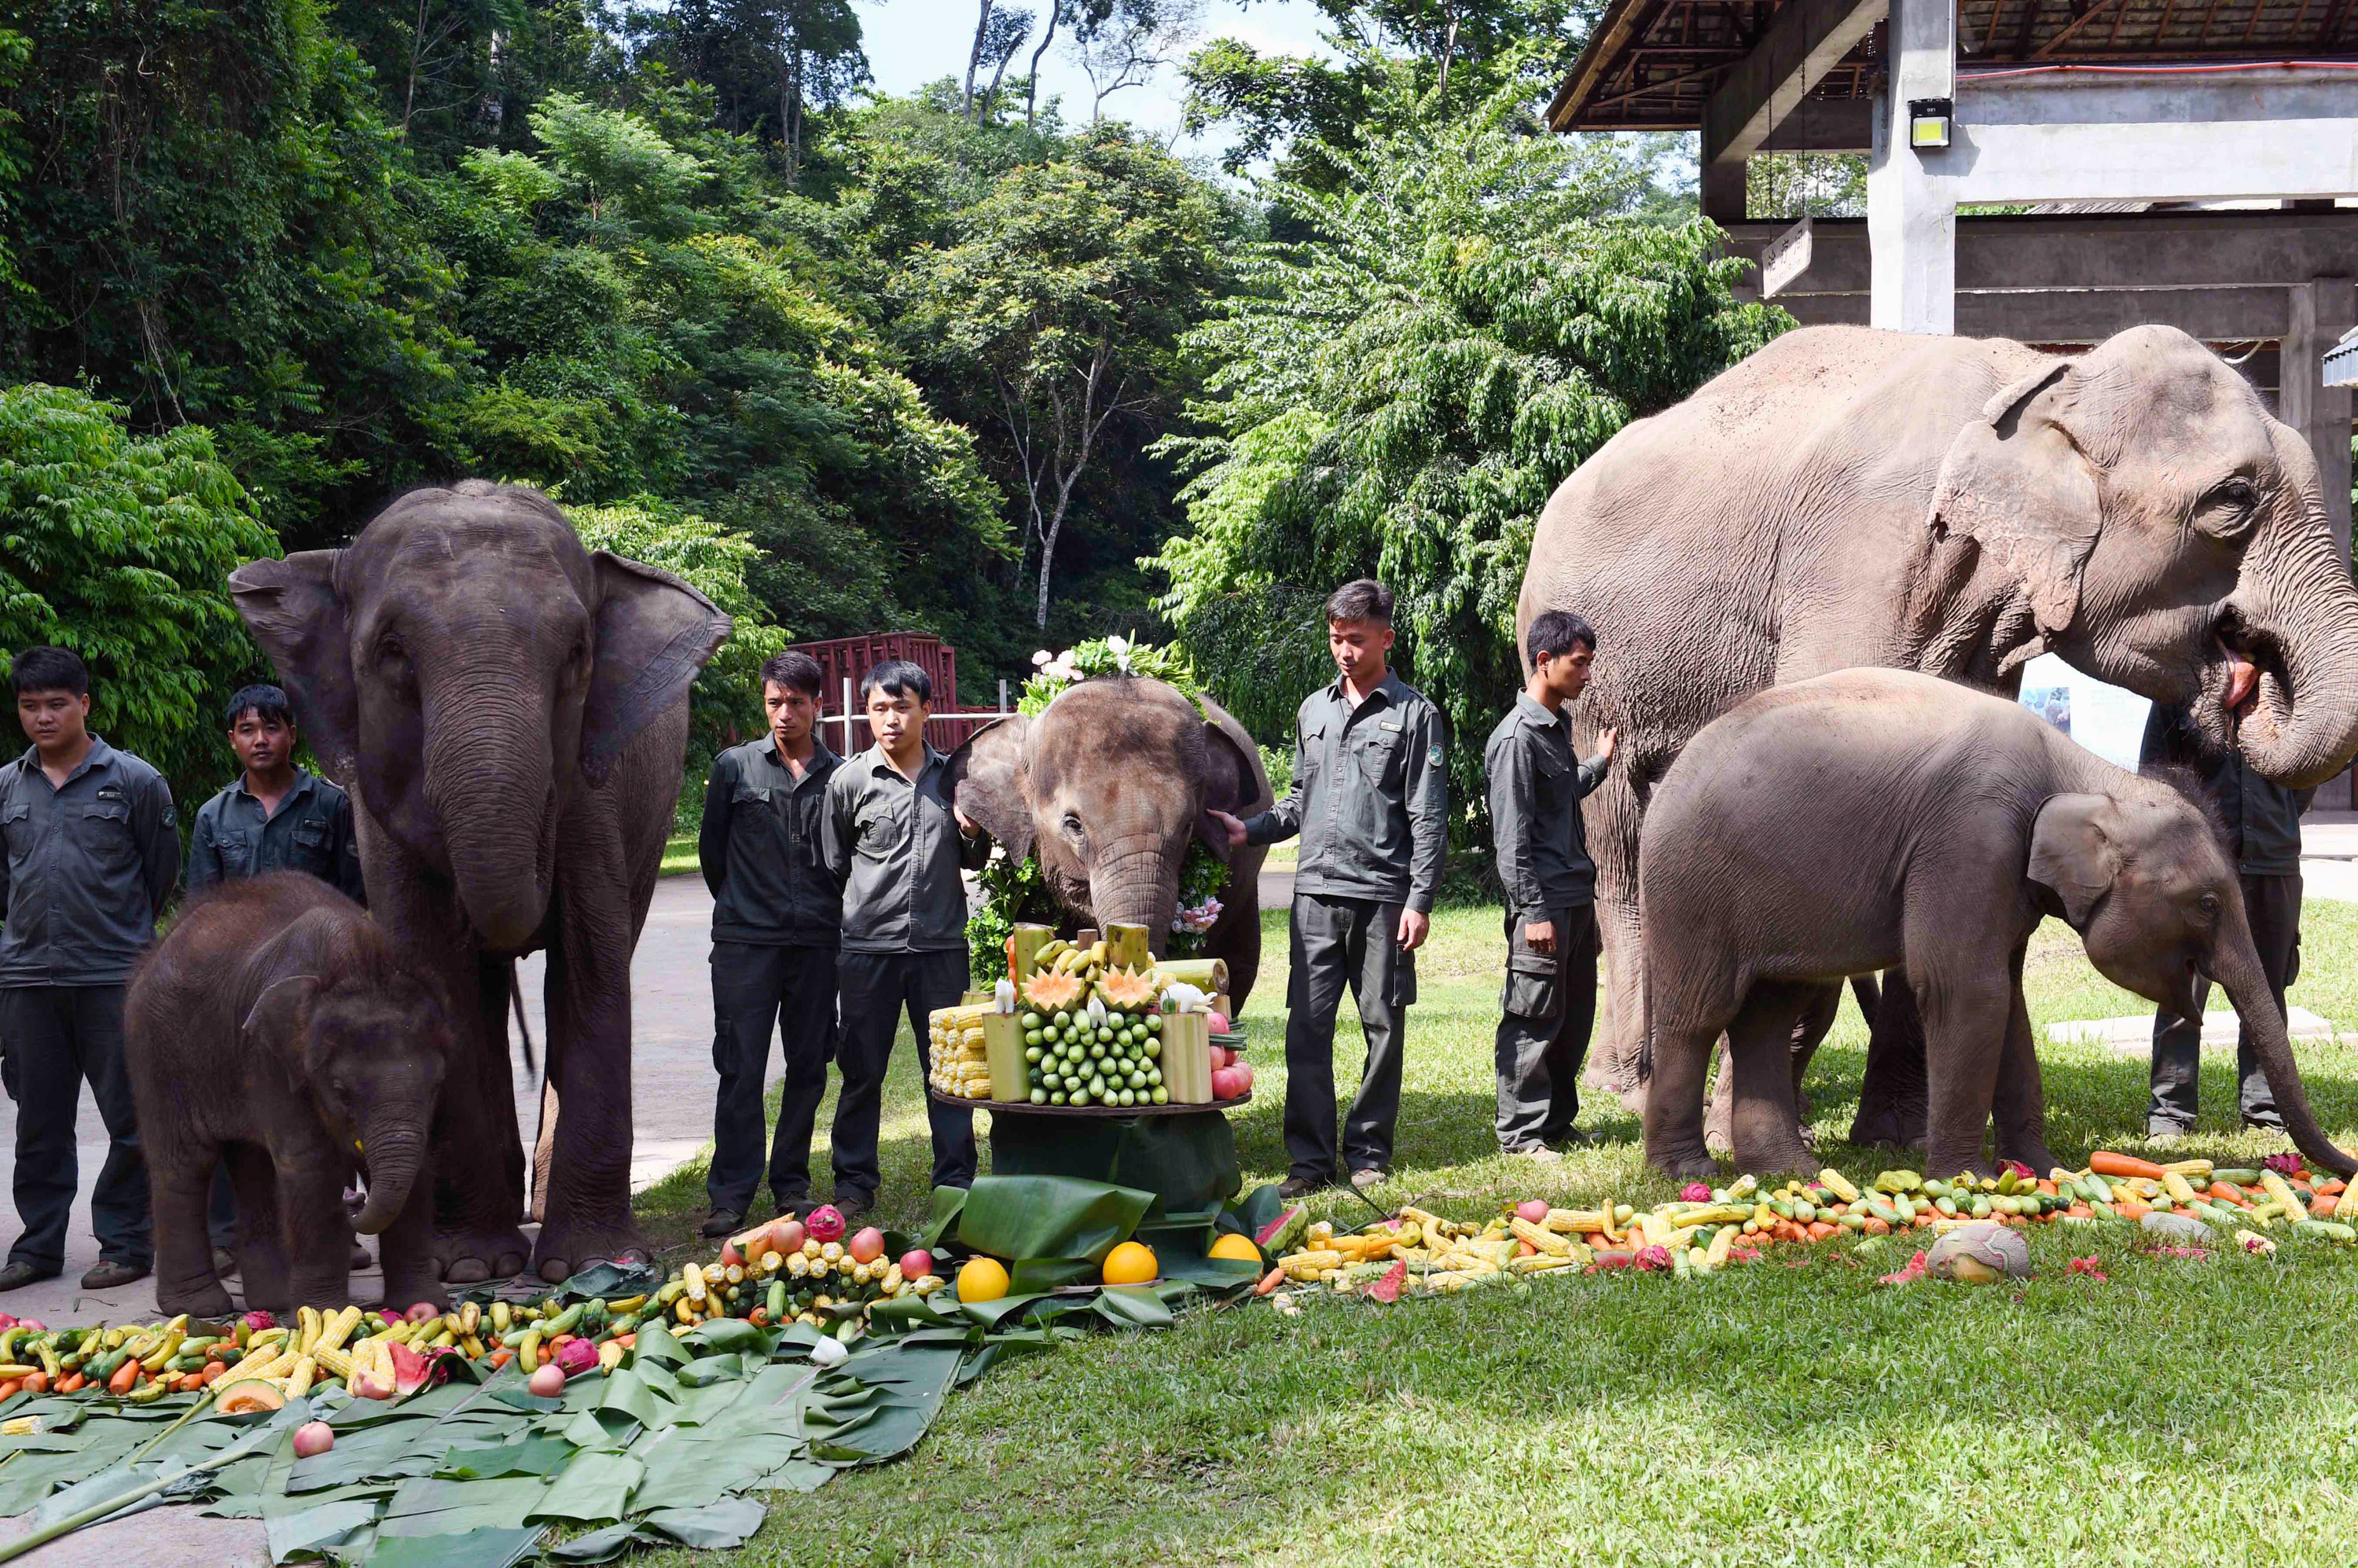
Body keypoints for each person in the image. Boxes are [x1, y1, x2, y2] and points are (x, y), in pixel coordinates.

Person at [1210, 580, 1446, 1198]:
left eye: (1356, 640)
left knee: (1382, 1026)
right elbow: (1297, 800)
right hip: (1314, 894)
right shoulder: (1313, 711)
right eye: (1336, 639)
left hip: (1383, 898)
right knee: (1307, 1030)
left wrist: (1420, 900)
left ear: (1385, 639)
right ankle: (1309, 1162)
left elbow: (1428, 815)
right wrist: (1251, 828)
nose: (1343, 651)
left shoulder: (1414, 715)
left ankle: (1368, 1152)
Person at [0, 648, 178, 1291]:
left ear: (85, 704)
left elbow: (160, 875)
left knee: (131, 1118)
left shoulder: (134, 780)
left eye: (55, 703)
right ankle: (38, 1247)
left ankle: (126, 1242)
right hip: (28, 980)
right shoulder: (7, 787)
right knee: (39, 1122)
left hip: (114, 978)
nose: (43, 717)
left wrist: (117, 937)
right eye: (29, 706)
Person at [186, 684, 369, 1275]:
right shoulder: (214, 816)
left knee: (325, 1107)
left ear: (293, 733)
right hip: (235, 991)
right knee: (240, 1111)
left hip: (314, 988)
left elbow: (353, 897)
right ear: (231, 739)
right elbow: (200, 910)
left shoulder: (330, 805)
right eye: (246, 729)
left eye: (271, 727)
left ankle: (334, 1227)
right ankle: (248, 1235)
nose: (259, 740)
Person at [821, 660, 990, 1218]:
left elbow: (976, 857)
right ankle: (853, 1183)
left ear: (926, 710)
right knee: (861, 1068)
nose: (890, 720)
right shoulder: (849, 781)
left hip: (941, 947)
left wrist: (970, 831)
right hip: (868, 949)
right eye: (879, 709)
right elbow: (832, 863)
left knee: (945, 1068)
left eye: (902, 707)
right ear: (867, 713)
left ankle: (955, 1178)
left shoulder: (952, 780)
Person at [697, 652, 843, 1238]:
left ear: (817, 704)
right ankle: (730, 1195)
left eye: (796, 703)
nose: (784, 714)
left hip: (816, 944)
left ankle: (791, 1185)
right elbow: (714, 855)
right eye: (774, 702)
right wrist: (743, 907)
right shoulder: (734, 768)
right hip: (745, 946)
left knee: (808, 1067)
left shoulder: (841, 775)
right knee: (740, 1066)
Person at [1484, 611, 1616, 1161]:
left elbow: (1559, 794)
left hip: (1574, 899)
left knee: (1572, 1017)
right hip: (1544, 904)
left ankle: (1557, 1123)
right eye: (1579, 663)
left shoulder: (1555, 727)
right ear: (1545, 662)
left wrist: (1600, 764)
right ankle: (1521, 1132)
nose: (1588, 674)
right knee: (1533, 1015)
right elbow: (1510, 839)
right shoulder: (1516, 737)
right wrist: (1532, 911)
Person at [2142, 703, 2306, 1139]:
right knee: (2183, 991)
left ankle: (2266, 1111)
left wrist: (2278, 815)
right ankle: (2170, 1114)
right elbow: (2154, 776)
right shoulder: (2176, 692)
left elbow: (2308, 774)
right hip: (2198, 869)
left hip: (2272, 862)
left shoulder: (2287, 696)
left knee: (2268, 993)